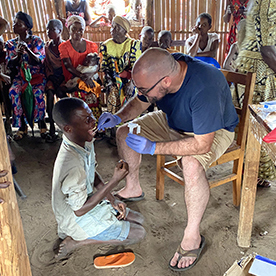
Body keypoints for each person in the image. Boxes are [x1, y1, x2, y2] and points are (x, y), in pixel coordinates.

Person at [97, 48, 238, 271]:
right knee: (124, 133)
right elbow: (140, 102)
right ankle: (133, 187)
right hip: (174, 122)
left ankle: (192, 236)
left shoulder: (205, 85)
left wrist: (153, 147)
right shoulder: (165, 70)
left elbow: (202, 144)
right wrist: (118, 116)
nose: (141, 93)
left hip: (212, 131)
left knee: (191, 164)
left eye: (144, 89)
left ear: (166, 81)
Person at [51, 97, 145, 259]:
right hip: (76, 218)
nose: (94, 121)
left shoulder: (83, 140)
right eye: (87, 119)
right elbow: (79, 210)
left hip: (88, 203)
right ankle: (78, 242)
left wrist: (112, 200)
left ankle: (94, 227)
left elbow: (92, 173)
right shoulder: (72, 165)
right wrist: (114, 181)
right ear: (68, 128)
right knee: (139, 233)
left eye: (92, 115)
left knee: (139, 219)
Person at [236, 0, 276, 187]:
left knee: (251, 126)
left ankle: (245, 170)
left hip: (252, 66)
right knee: (260, 127)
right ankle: (253, 174)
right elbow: (267, 50)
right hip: (260, 69)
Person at [6, 11, 47, 140]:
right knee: (14, 91)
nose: (14, 26)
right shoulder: (11, 44)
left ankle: (41, 122)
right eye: (14, 23)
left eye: (18, 24)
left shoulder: (36, 41)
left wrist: (27, 50)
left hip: (36, 76)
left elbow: (39, 61)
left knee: (37, 93)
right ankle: (22, 125)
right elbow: (10, 65)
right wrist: (17, 55)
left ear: (27, 27)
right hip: (21, 77)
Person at [100, 15, 142, 115]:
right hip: (113, 80)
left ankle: (131, 126)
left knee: (131, 93)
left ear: (124, 31)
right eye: (112, 26)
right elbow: (105, 68)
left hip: (130, 79)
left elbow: (136, 68)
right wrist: (110, 82)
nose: (112, 30)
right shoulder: (105, 45)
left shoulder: (133, 44)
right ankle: (114, 126)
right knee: (113, 92)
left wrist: (132, 83)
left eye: (116, 27)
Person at [59, 15, 98, 94]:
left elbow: (97, 64)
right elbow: (68, 67)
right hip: (73, 77)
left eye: (81, 29)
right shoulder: (64, 46)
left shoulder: (91, 45)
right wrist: (83, 77)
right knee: (79, 88)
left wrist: (89, 76)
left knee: (92, 88)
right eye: (74, 29)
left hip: (89, 75)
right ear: (69, 29)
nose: (78, 32)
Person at [65, 52, 102, 122]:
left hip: (88, 90)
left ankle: (96, 125)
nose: (86, 62)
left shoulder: (93, 69)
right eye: (85, 60)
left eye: (89, 61)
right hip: (78, 87)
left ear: (94, 63)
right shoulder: (80, 67)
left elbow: (98, 82)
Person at [45, 19, 65, 143]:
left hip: (63, 77)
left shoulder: (65, 47)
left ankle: (67, 124)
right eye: (48, 29)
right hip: (52, 77)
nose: (49, 32)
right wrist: (51, 76)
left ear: (60, 31)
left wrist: (62, 79)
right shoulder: (47, 47)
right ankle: (52, 127)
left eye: (52, 29)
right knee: (50, 93)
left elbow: (67, 66)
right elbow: (46, 65)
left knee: (63, 95)